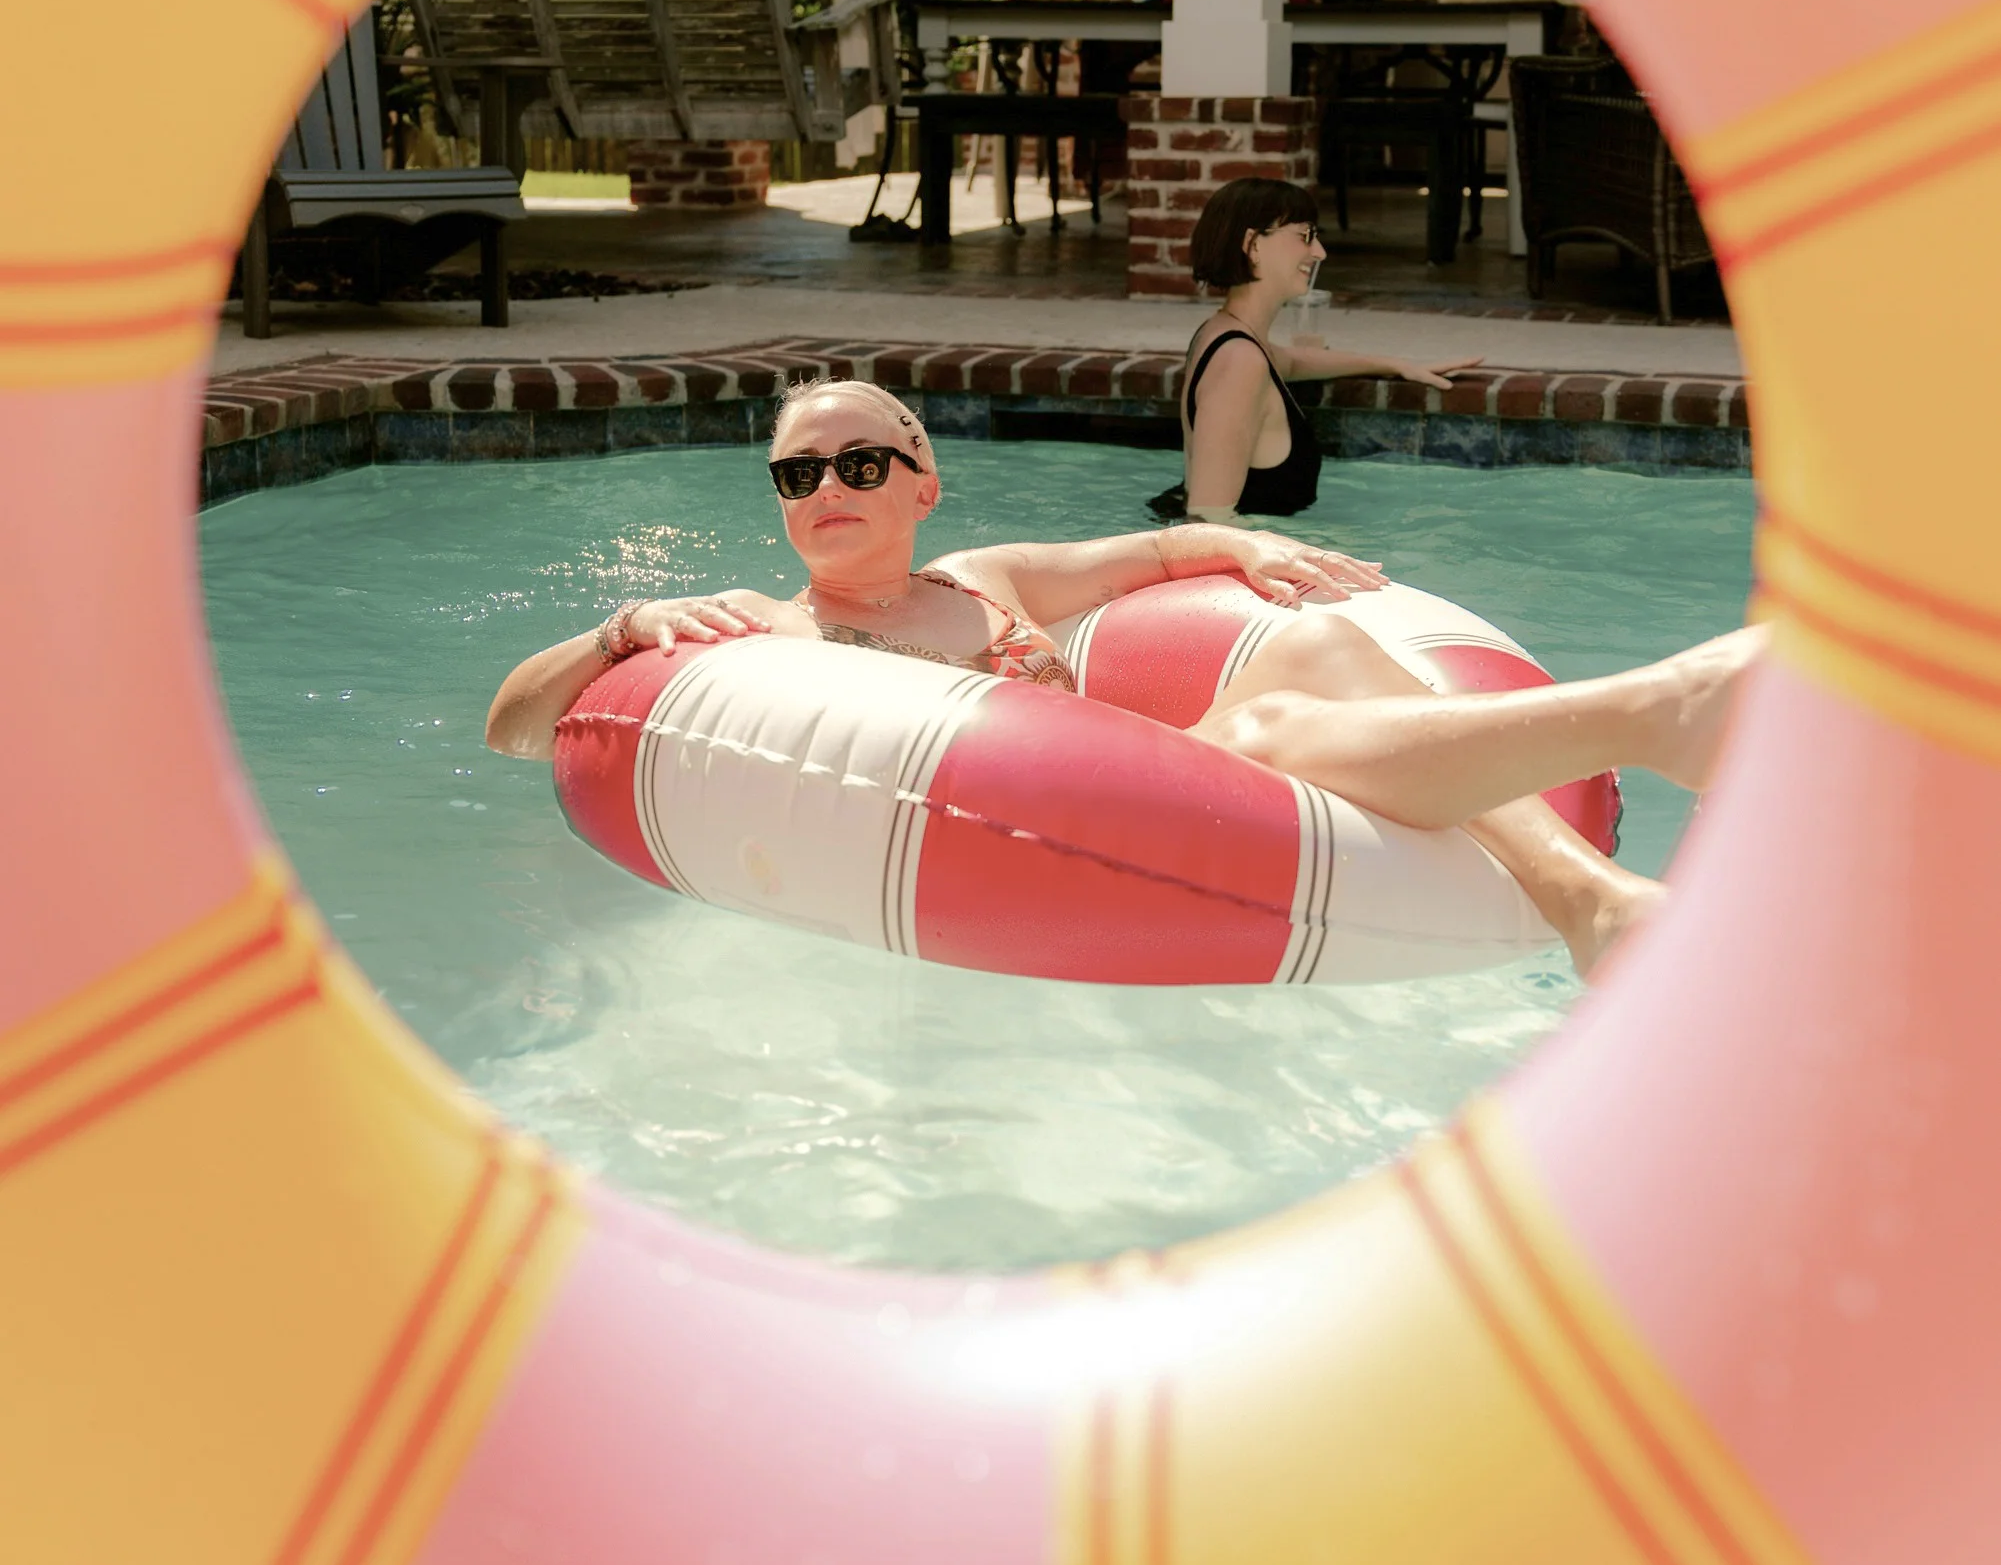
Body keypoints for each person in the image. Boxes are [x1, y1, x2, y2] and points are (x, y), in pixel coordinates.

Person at [488, 379, 1761, 982]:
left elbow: (1159, 550)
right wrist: (620, 629)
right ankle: (1647, 718)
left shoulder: (993, 580)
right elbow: (515, 727)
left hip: (1178, 801)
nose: (826, 490)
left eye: (861, 465)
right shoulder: (757, 630)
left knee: (1307, 655)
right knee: (1269, 720)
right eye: (796, 474)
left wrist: (1254, 545)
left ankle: (1594, 893)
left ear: (924, 484)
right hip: (1082, 841)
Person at [1149, 175, 1482, 524]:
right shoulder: (1240, 361)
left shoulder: (1227, 335)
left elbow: (1290, 361)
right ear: (1253, 244)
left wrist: (1396, 364)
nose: (1319, 252)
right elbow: (1206, 523)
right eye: (1305, 235)